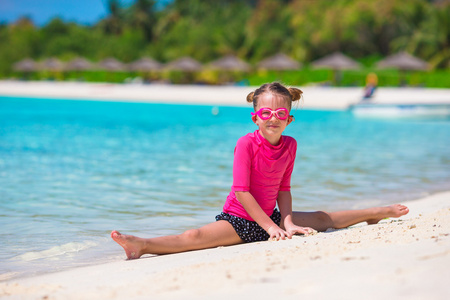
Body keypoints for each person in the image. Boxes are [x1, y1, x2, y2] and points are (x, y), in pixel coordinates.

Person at [111, 82, 409, 259]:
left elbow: (284, 188)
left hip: (274, 220)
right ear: (255, 117)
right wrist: (269, 227)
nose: (273, 119)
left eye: (280, 113)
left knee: (322, 218)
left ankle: (375, 212)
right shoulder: (246, 144)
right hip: (239, 220)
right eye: (266, 113)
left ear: (289, 120)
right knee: (193, 236)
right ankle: (141, 244)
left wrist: (288, 223)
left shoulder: (290, 145)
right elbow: (241, 192)